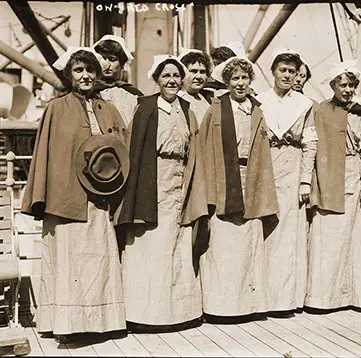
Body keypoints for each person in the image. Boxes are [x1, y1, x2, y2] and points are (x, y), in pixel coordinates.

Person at [21, 47, 128, 342]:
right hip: (66, 199)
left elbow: (122, 149)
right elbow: (43, 154)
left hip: (100, 198)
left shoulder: (108, 108)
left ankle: (102, 323)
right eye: (79, 70)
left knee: (98, 259)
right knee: (69, 262)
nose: (85, 76)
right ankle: (68, 327)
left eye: (90, 70)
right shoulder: (56, 108)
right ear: (69, 75)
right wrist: (40, 198)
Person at [116, 55, 207, 329]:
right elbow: (134, 148)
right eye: (166, 76)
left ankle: (178, 314)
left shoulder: (187, 109)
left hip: (179, 178)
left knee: (176, 242)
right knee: (150, 244)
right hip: (151, 179)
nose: (172, 81)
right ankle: (145, 315)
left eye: (176, 76)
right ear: (156, 80)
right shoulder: (145, 108)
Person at [197, 56, 279, 318]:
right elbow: (205, 146)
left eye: (244, 78)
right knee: (223, 246)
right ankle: (220, 308)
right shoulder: (217, 108)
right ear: (227, 82)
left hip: (250, 177)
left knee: (249, 244)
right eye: (235, 79)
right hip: (224, 178)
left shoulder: (257, 109)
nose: (240, 83)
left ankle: (249, 306)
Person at [307, 61, 361, 311]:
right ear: (333, 85)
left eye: (351, 85)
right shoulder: (321, 111)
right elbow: (312, 146)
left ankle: (356, 297)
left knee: (355, 237)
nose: (347, 89)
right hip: (328, 176)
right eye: (342, 84)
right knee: (329, 238)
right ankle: (325, 298)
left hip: (353, 175)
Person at [257, 49, 317, 314]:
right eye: (282, 70)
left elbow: (310, 144)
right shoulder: (259, 101)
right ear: (273, 72)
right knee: (266, 231)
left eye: (292, 71)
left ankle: (285, 301)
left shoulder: (304, 105)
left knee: (289, 236)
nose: (287, 75)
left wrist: (305, 180)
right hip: (267, 169)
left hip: (292, 171)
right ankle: (263, 299)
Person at [92, 34, 143, 128]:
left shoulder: (133, 94)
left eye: (112, 59)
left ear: (121, 64)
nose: (107, 64)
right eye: (102, 58)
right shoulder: (89, 93)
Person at [178, 49, 213, 125]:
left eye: (202, 72)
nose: (199, 76)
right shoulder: (177, 100)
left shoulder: (208, 99)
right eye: (194, 71)